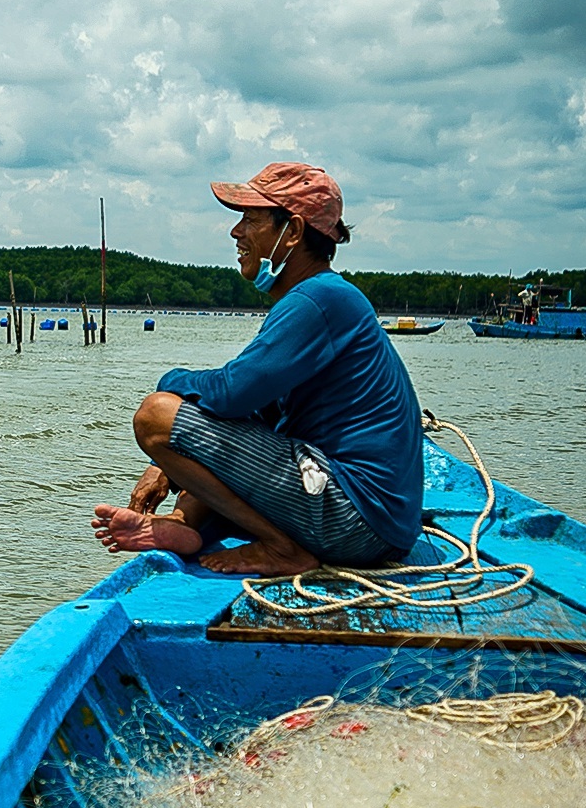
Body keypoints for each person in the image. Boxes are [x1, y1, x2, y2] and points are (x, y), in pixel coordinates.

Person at [92, 163, 423, 575]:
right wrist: (168, 466)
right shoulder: (318, 297)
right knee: (209, 429)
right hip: (372, 521)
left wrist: (171, 385)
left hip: (358, 520)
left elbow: (232, 393)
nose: (236, 232)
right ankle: (182, 524)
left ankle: (283, 549)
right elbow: (253, 411)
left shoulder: (319, 299)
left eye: (250, 220)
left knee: (156, 416)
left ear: (294, 232)